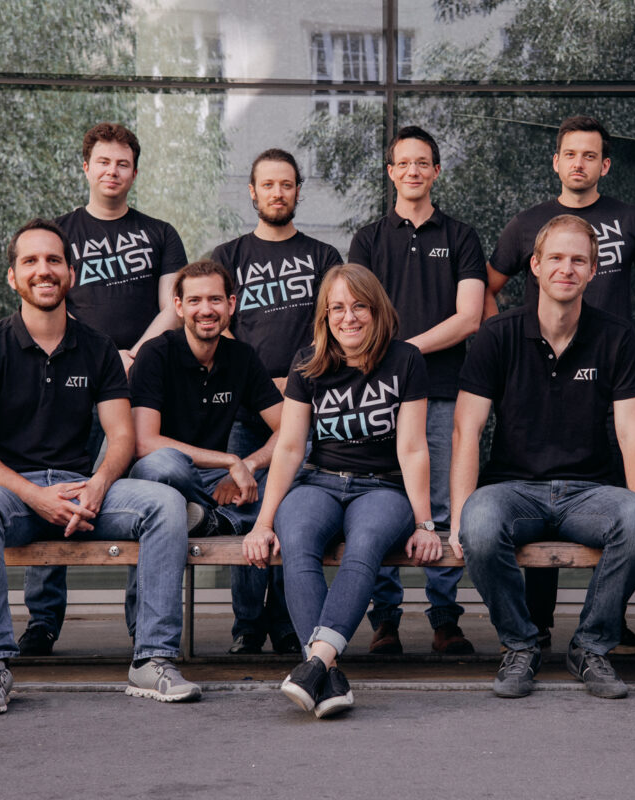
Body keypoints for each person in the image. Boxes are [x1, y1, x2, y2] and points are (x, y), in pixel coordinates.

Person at [0, 218, 198, 715]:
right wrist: (33, 495)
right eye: (31, 261)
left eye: (54, 260)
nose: (44, 270)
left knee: (166, 504)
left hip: (82, 489)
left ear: (71, 273)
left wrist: (101, 484)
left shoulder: (97, 346)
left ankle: (152, 659)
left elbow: (122, 434)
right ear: (13, 277)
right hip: (11, 496)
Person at [485, 114, 635, 653]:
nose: (579, 163)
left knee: (619, 497)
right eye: (570, 154)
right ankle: (538, 622)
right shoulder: (529, 223)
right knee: (538, 474)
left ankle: (608, 620)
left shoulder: (629, 219)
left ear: (605, 165)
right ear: (556, 161)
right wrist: (501, 353)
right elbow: (490, 286)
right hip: (543, 376)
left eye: (590, 155)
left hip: (610, 373)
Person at [451, 215, 635, 699]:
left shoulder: (616, 336)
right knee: (478, 523)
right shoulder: (496, 335)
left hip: (589, 493)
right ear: (536, 266)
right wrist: (460, 512)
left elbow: (633, 433)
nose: (567, 268)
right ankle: (521, 645)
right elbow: (467, 429)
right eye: (557, 259)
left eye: (578, 260)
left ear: (593, 271)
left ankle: (589, 646)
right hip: (513, 490)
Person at [242, 264, 441, 718]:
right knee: (298, 542)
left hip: (383, 488)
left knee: (365, 545)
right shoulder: (307, 363)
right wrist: (264, 522)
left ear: (377, 311)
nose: (348, 317)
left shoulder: (405, 360)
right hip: (321, 481)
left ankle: (314, 664)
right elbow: (290, 449)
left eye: (358, 307)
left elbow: (411, 448)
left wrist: (425, 522)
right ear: (324, 315)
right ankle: (327, 675)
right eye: (337, 308)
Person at [20, 122, 189, 657]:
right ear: (86, 167)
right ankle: (43, 621)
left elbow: (174, 306)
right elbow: (47, 299)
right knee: (57, 483)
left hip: (141, 383)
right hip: (71, 379)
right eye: (103, 162)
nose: (112, 171)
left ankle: (145, 625)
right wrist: (99, 352)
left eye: (122, 163)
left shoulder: (160, 233)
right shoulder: (62, 233)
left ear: (134, 172)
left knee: (150, 495)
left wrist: (133, 352)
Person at [347, 126, 486, 655]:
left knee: (445, 505)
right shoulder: (368, 239)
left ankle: (445, 618)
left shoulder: (461, 237)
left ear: (435, 172)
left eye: (422, 163)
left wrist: (404, 351)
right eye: (402, 163)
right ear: (391, 172)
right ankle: (385, 620)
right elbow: (358, 313)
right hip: (379, 395)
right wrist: (394, 361)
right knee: (384, 500)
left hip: (445, 389)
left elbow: (469, 317)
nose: (412, 171)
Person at [209, 148, 342, 654]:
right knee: (247, 513)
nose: (277, 193)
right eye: (268, 185)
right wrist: (265, 389)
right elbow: (216, 333)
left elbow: (335, 328)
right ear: (252, 191)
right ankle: (247, 626)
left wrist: (297, 384)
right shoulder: (228, 257)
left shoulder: (323, 257)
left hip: (310, 409)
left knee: (293, 516)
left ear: (297, 191)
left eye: (286, 184)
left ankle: (289, 625)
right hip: (245, 414)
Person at [126, 260, 292, 651]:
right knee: (167, 468)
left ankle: (210, 520)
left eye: (216, 299)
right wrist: (229, 461)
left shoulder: (242, 358)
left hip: (209, 490)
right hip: (162, 480)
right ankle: (214, 520)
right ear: (179, 306)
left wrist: (248, 465)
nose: (207, 309)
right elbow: (145, 443)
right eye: (196, 300)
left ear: (231, 305)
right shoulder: (155, 354)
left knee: (287, 482)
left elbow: (290, 430)